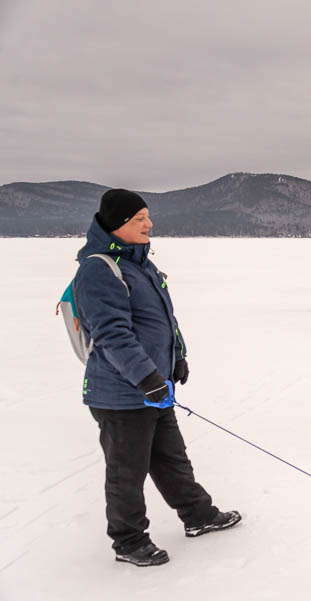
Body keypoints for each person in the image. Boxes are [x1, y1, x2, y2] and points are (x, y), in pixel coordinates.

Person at [74, 189, 240, 567]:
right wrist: (147, 376)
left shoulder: (141, 264)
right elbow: (113, 334)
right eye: (139, 219)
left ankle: (198, 515)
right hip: (121, 393)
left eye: (148, 216)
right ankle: (128, 541)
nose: (149, 224)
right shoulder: (98, 270)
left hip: (153, 386)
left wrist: (176, 357)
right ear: (118, 225)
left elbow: (164, 320)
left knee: (170, 457)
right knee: (126, 471)